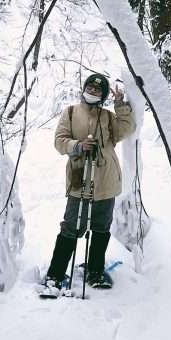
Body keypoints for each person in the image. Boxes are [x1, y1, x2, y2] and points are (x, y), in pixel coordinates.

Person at [41, 72, 135, 295]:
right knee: (71, 226)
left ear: (103, 95)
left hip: (106, 181)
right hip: (79, 178)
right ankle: (55, 274)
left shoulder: (108, 116)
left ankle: (95, 271)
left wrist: (120, 105)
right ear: (84, 89)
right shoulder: (71, 112)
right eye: (90, 88)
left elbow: (126, 129)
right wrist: (78, 146)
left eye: (98, 90)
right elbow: (59, 141)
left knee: (101, 227)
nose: (93, 92)